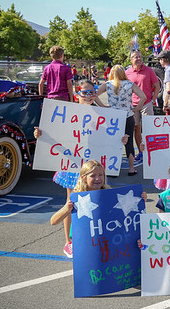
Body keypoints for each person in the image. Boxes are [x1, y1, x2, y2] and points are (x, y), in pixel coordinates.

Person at [34, 79, 131, 257]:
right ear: (77, 93)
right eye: (85, 92)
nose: (89, 95)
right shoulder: (65, 112)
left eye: (92, 92)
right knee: (71, 203)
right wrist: (40, 134)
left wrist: (121, 140)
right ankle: (68, 242)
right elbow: (53, 133)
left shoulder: (102, 115)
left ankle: (93, 237)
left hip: (93, 166)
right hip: (72, 165)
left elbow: (111, 137)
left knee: (97, 201)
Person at [50, 160, 110, 257]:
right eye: (93, 176)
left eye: (100, 175)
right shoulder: (76, 199)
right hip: (83, 244)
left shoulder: (108, 194)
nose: (97, 178)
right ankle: (68, 244)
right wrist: (67, 209)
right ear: (84, 178)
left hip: (104, 242)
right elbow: (53, 221)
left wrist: (142, 198)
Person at [95, 65, 147, 176]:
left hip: (113, 117)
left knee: (112, 142)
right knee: (128, 142)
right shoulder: (129, 84)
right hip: (127, 115)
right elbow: (143, 97)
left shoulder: (107, 85)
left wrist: (103, 106)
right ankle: (131, 168)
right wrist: (137, 108)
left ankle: (111, 168)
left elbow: (94, 94)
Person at [125, 51, 160, 162]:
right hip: (133, 105)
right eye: (136, 57)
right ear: (131, 59)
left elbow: (157, 86)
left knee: (149, 129)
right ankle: (141, 152)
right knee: (136, 128)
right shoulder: (127, 73)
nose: (139, 58)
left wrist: (153, 100)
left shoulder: (149, 71)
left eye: (140, 56)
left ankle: (151, 151)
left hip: (146, 104)